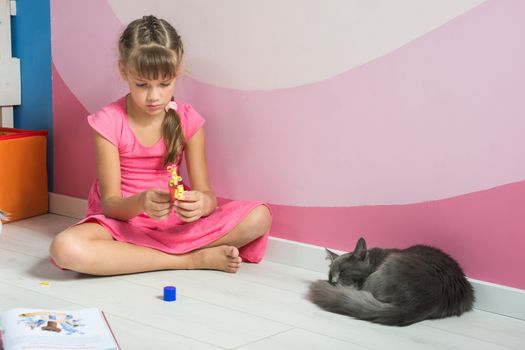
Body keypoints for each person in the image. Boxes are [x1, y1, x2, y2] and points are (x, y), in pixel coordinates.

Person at [50, 15, 272, 276]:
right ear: (124, 72)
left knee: (260, 216)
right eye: (142, 84)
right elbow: (110, 205)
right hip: (122, 221)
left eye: (164, 84)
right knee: (65, 248)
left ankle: (143, 256)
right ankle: (189, 259)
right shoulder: (109, 122)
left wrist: (201, 203)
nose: (154, 96)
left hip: (173, 223)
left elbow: (208, 197)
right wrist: (142, 203)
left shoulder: (188, 120)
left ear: (177, 72)